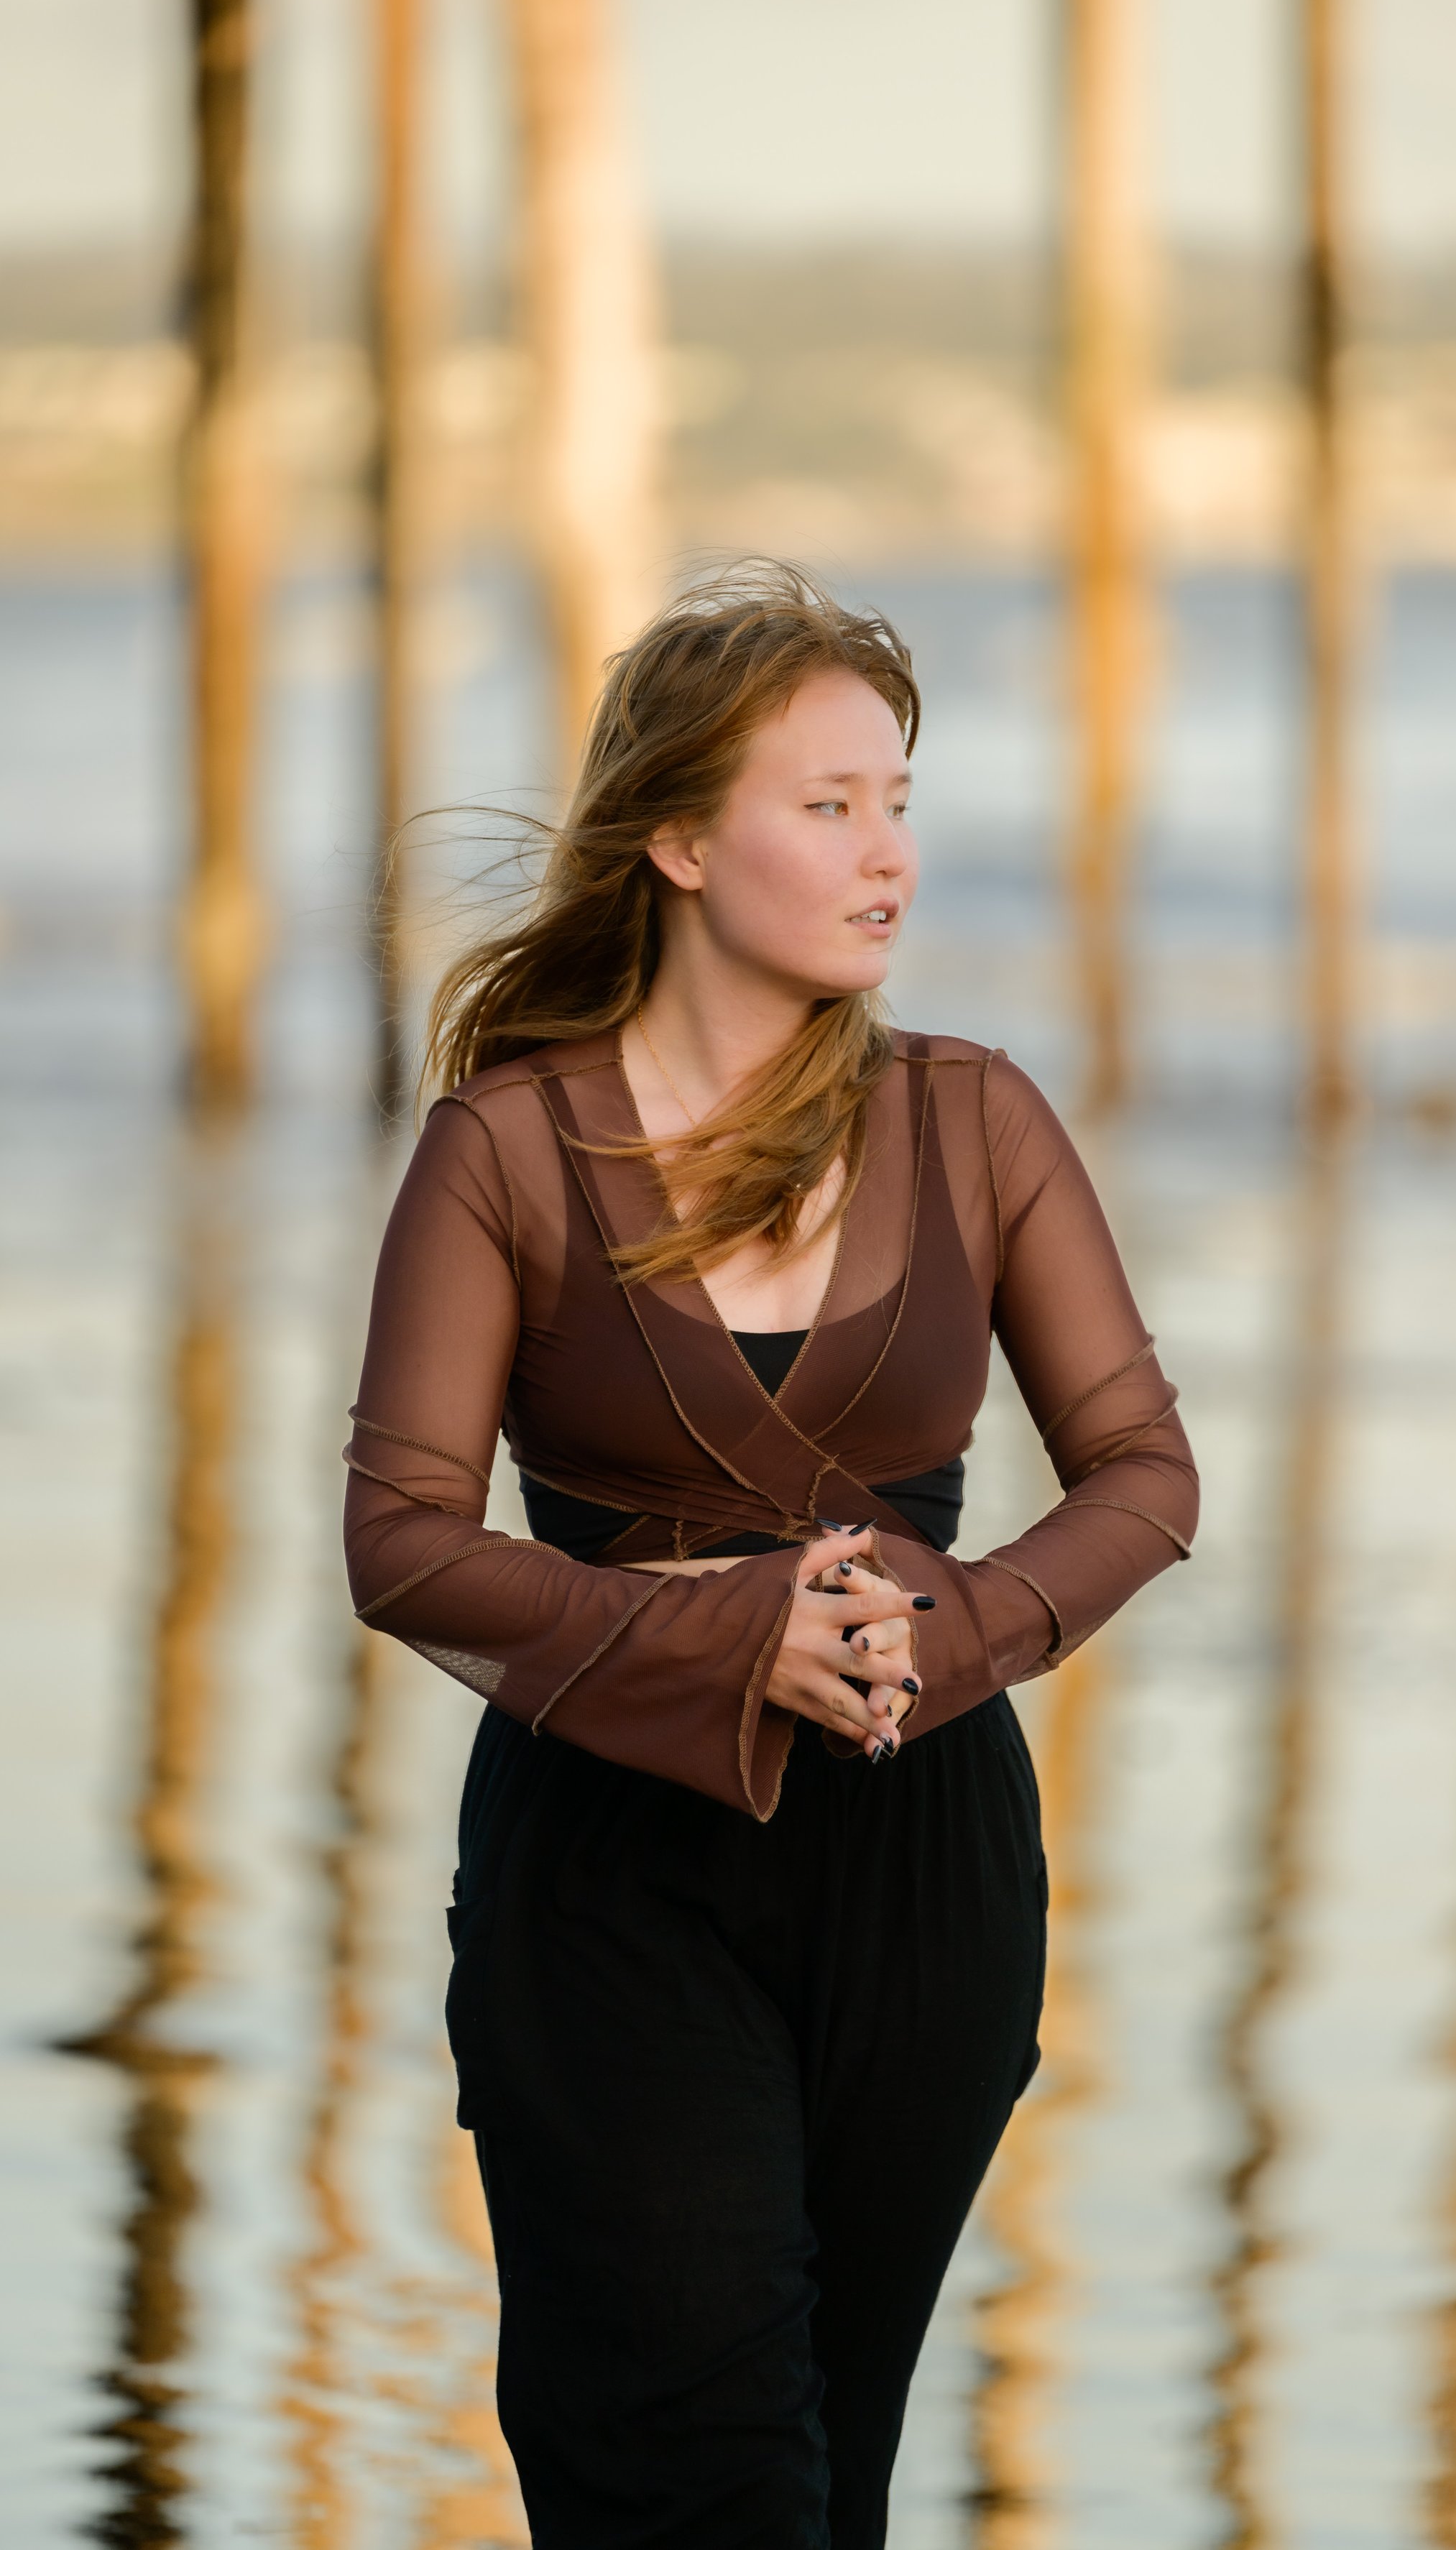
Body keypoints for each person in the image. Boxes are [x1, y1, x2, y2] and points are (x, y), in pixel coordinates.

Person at [344, 561, 1198, 2548]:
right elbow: (398, 1546)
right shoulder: (506, 1148)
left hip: (932, 1870)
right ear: (674, 839)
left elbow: (1142, 1476)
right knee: (683, 2473)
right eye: (825, 807)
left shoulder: (976, 1122)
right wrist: (736, 1629)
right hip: (608, 1875)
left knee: (827, 2466)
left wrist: (943, 1628)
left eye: (895, 797)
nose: (886, 853)